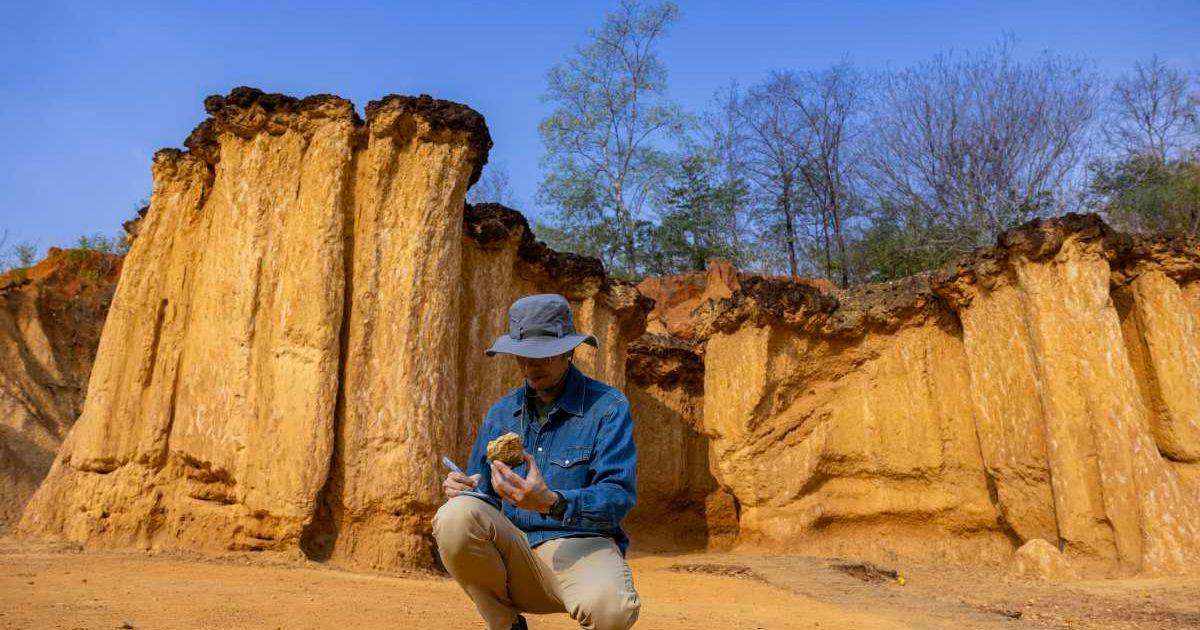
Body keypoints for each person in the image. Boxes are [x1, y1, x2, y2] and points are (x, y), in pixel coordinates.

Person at [433, 293, 641, 630]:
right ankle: (506, 625)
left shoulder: (608, 407)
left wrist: (551, 502)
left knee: (612, 609)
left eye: (542, 356)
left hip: (581, 546)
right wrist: (463, 488)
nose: (530, 366)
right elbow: (481, 495)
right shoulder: (502, 412)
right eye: (522, 356)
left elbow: (617, 497)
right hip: (515, 552)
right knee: (454, 516)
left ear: (569, 351)